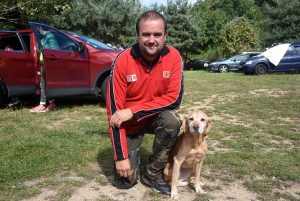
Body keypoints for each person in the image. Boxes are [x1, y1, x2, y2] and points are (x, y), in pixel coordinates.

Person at [106, 11, 184, 194]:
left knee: (172, 119)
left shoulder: (174, 57)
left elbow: (174, 99)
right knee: (124, 182)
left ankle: (152, 174)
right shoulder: (122, 60)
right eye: (146, 34)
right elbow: (115, 114)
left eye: (157, 34)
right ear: (137, 35)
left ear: (165, 36)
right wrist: (120, 157)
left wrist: (134, 110)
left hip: (153, 117)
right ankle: (132, 159)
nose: (151, 40)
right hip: (128, 124)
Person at [29, 26, 59, 113]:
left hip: (48, 64)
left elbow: (54, 52)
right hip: (44, 63)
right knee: (45, 84)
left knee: (44, 84)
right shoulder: (45, 37)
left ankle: (43, 105)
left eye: (38, 29)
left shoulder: (50, 37)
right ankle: (51, 103)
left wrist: (47, 64)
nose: (38, 30)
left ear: (42, 28)